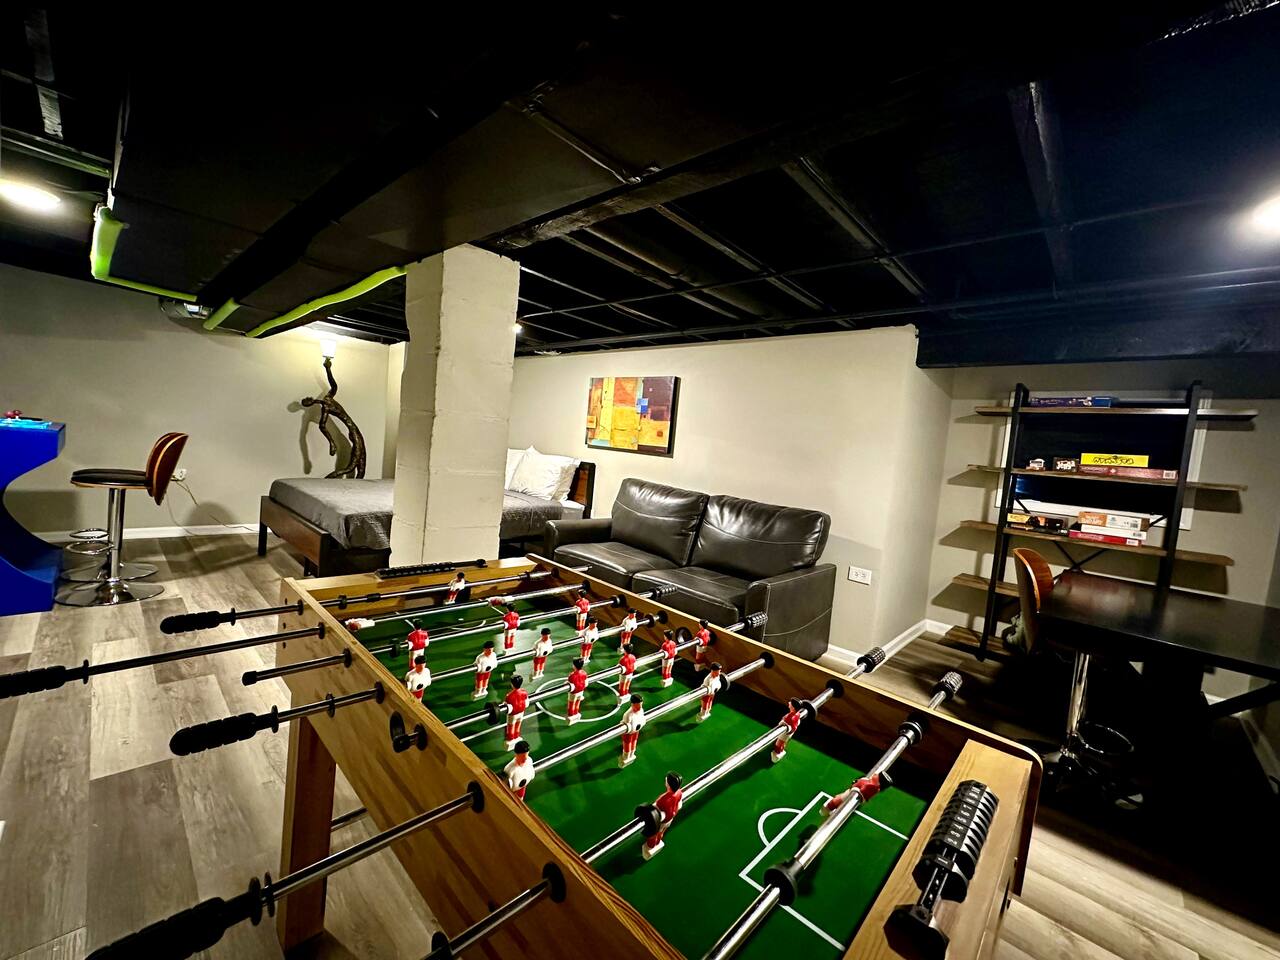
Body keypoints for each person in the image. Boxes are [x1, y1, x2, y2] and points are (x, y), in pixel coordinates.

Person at [641, 772, 684, 860]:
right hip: (670, 819)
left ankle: (651, 847)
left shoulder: (663, 799)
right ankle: (658, 842)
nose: (665, 781)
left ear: (668, 784)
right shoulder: (679, 792)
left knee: (653, 835)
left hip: (662, 821)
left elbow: (654, 811)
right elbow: (679, 805)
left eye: (666, 780)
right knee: (661, 832)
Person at [771, 698, 805, 763]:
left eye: (790, 703)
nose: (789, 703)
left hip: (785, 733)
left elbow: (786, 724)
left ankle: (777, 754)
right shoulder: (797, 714)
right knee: (783, 742)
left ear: (793, 707)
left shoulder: (790, 717)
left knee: (778, 744)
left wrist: (783, 723)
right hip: (789, 732)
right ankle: (781, 750)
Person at [619, 694, 645, 767]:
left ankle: (631, 754)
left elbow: (642, 719)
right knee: (628, 745)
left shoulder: (641, 710)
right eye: (638, 705)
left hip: (636, 731)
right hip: (628, 734)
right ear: (633, 704)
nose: (640, 707)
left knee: (634, 743)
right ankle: (626, 757)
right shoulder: (628, 715)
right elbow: (626, 726)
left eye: (641, 705)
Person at [504, 675, 529, 749]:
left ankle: (511, 739)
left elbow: (506, 704)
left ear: (512, 684)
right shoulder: (524, 692)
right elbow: (526, 702)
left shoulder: (509, 695)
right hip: (521, 713)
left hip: (513, 715)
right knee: (518, 725)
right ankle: (516, 736)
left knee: (511, 727)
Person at [566, 657, 589, 724]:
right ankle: (576, 713)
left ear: (574, 666)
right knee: (577, 703)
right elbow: (585, 682)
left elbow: (569, 683)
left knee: (571, 704)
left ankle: (571, 716)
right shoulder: (584, 673)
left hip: (574, 693)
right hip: (581, 691)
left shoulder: (572, 675)